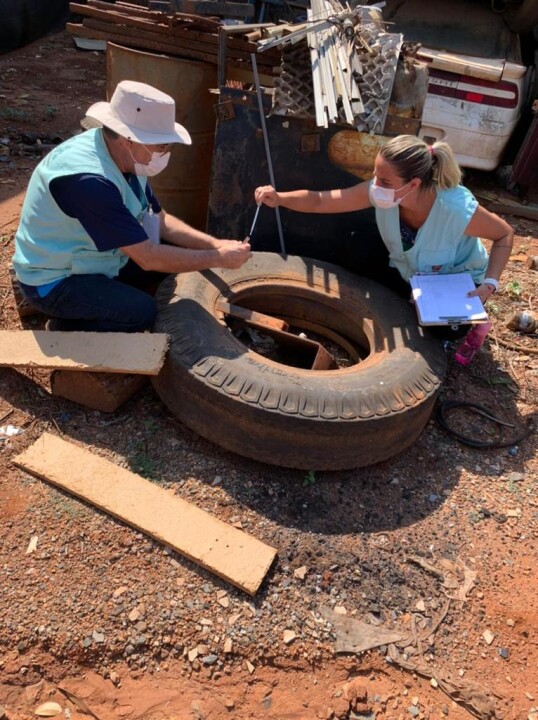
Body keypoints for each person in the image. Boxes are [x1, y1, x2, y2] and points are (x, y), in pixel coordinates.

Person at [12, 80, 252, 332]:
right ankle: (65, 327)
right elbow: (147, 258)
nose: (166, 152)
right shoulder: (89, 182)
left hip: (96, 258)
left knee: (175, 252)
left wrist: (214, 245)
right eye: (162, 145)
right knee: (142, 313)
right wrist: (217, 259)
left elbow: (160, 219)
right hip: (55, 280)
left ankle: (105, 303)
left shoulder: (124, 155)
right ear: (129, 139)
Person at [255, 135, 513, 366]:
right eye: (375, 175)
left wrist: (489, 284)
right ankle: (412, 301)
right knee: (356, 246)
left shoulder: (455, 209)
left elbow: (504, 234)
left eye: (384, 180)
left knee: (447, 330)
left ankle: (474, 323)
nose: (375, 185)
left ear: (413, 184)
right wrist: (280, 198)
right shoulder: (386, 192)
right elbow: (322, 200)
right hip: (410, 271)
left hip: (454, 281)